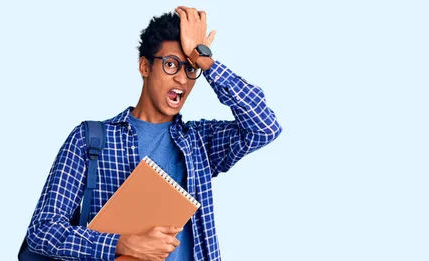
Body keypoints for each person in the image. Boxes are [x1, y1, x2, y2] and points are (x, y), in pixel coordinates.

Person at [24, 6, 282, 261]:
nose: (182, 79)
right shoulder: (91, 139)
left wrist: (205, 59)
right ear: (145, 67)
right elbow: (43, 231)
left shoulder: (201, 141)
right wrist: (120, 244)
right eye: (171, 64)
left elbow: (265, 126)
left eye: (190, 68)